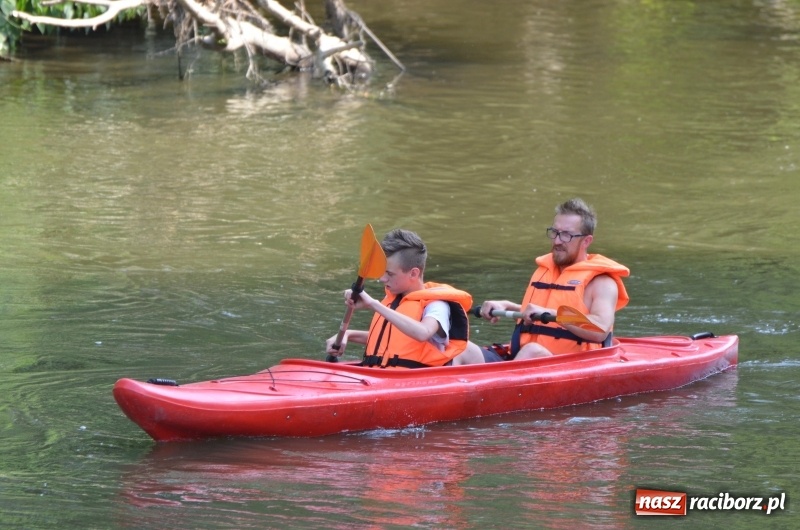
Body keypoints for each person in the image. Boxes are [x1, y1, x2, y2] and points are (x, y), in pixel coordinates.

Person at [467, 198, 629, 361]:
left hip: (569, 364)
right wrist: (507, 306)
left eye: (566, 235)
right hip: (520, 358)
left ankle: (506, 376)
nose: (557, 241)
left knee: (532, 350)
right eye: (555, 232)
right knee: (463, 349)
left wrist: (553, 314)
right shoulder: (545, 271)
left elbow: (600, 330)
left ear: (586, 241)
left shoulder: (602, 282)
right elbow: (537, 317)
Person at [325, 229, 485, 367]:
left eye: (389, 274)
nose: (382, 279)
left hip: (417, 378)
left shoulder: (436, 304)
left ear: (413, 273)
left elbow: (423, 333)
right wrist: (348, 335)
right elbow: (391, 340)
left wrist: (373, 304)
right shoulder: (395, 299)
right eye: (382, 272)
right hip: (380, 374)